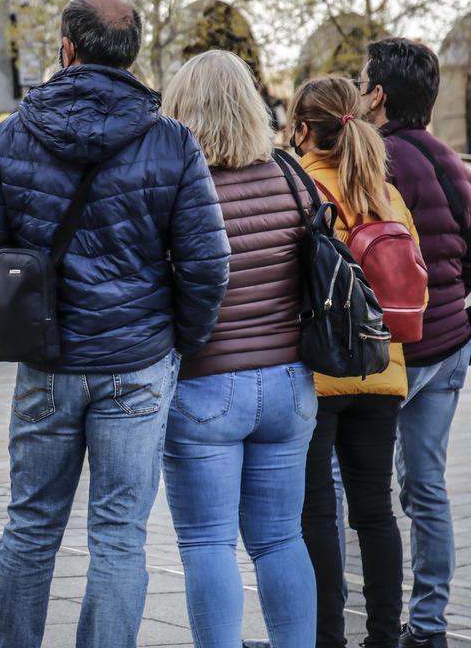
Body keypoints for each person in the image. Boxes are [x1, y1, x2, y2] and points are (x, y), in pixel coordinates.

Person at [0, 0, 230, 648]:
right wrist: (178, 342)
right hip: (137, 365)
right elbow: (206, 264)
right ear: (132, 54)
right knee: (118, 536)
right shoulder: (170, 141)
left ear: (67, 48)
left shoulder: (13, 135)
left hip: (49, 364)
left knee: (29, 527)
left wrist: (24, 328)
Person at [161, 50, 317, 647]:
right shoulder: (289, 175)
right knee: (281, 538)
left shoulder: (180, 187)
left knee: (207, 542)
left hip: (205, 386)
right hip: (289, 386)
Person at [289, 76, 417, 648]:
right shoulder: (386, 194)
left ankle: (326, 638)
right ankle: (386, 637)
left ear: (302, 129)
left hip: (317, 375)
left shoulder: (298, 188)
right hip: (382, 370)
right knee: (376, 513)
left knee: (316, 514)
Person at [358, 39, 471, 648]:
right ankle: (428, 624)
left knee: (344, 480)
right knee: (426, 488)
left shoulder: (374, 161)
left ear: (377, 95)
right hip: (450, 342)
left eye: (361, 81)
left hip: (394, 350)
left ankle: (347, 615)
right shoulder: (452, 160)